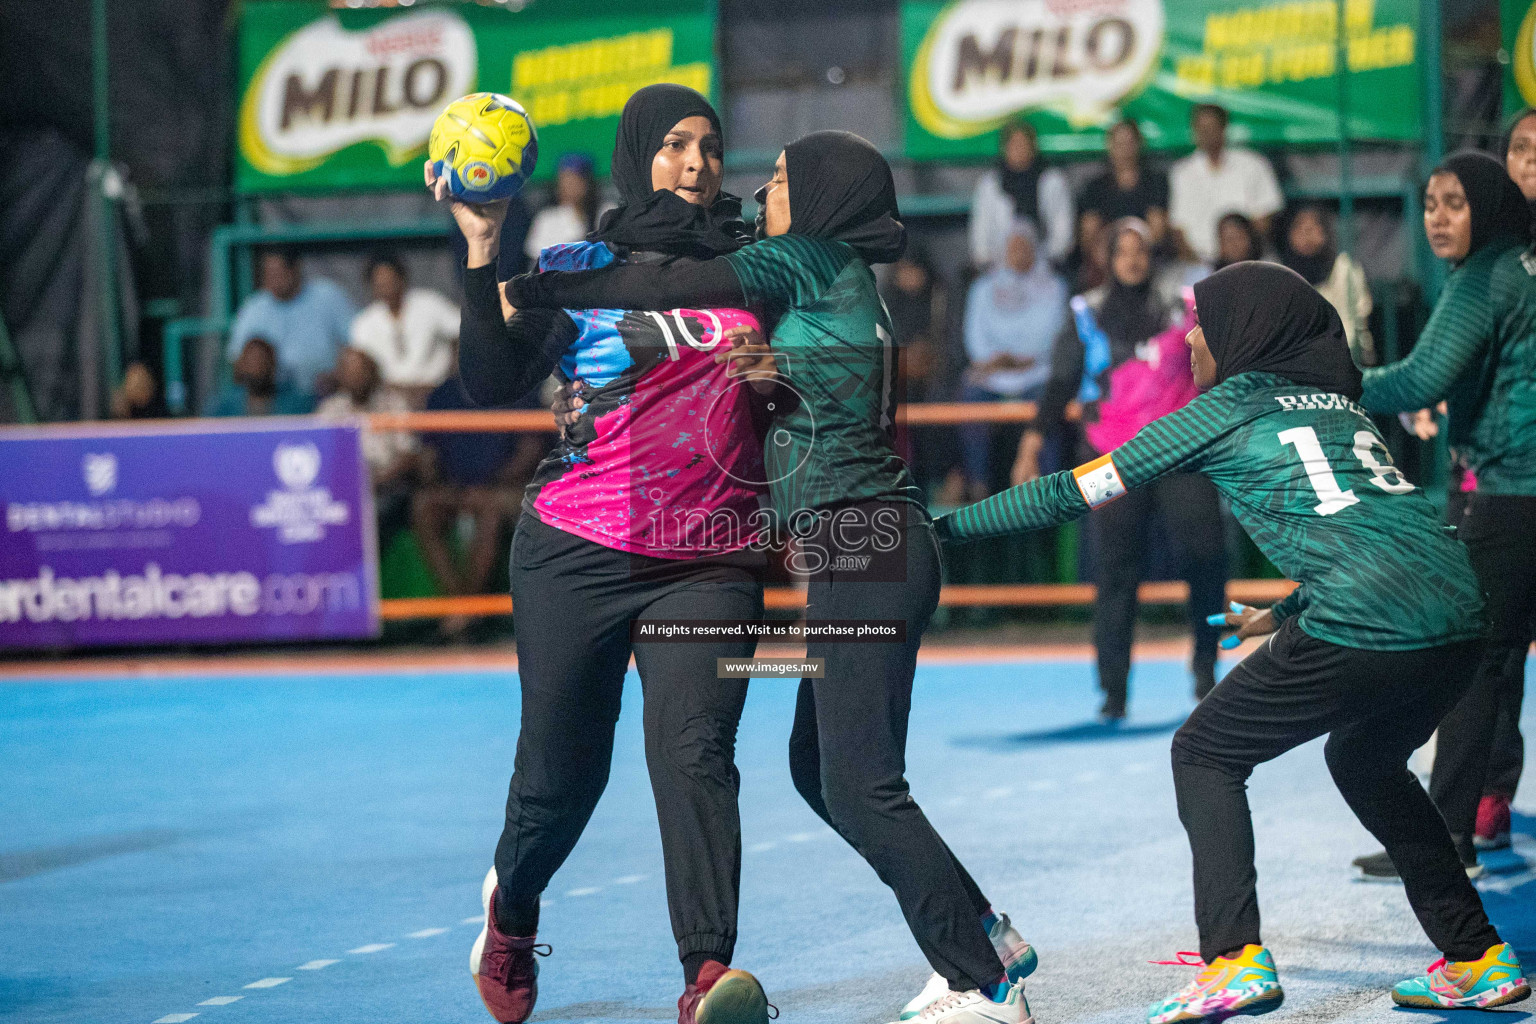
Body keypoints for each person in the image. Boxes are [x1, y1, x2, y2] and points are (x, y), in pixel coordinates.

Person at [508, 130, 1037, 1024]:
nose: (766, 190)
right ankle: (983, 926)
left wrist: (548, 286)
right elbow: (807, 374)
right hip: (862, 543)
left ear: (823, 197)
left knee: (863, 787)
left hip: (865, 543)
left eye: (785, 179)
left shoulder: (810, 257)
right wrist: (775, 375)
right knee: (816, 767)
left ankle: (983, 976)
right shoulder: (840, 280)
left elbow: (674, 285)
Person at [938, 259, 1531, 1021]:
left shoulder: (1222, 408)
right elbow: (1381, 535)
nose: (1189, 341)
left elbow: (1071, 490)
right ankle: (1478, 956)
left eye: (1203, 324)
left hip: (1366, 618)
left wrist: (944, 531)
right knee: (1366, 758)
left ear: (1243, 335)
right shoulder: (1340, 408)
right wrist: (1285, 611)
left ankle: (1234, 959)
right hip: (1459, 619)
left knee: (1206, 751)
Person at [434, 84, 776, 1024]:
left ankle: (706, 975)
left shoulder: (758, 268)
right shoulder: (578, 264)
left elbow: (815, 390)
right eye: (673, 146)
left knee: (696, 753)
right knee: (562, 774)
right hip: (575, 549)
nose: (696, 164)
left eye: (708, 145)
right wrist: (481, 248)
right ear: (638, 156)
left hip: (712, 556)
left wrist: (783, 382)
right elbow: (490, 379)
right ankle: (514, 905)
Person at [1345, 151, 1536, 882]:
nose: (1438, 217)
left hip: (1509, 496)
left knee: (1474, 665)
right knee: (1499, 662)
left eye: (1454, 202)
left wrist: (1328, 380)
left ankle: (1445, 837)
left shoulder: (1484, 274)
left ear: (1486, 205)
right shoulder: (1522, 265)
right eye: (1429, 203)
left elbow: (1424, 377)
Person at [1022, 219, 1225, 717]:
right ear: (1108, 259)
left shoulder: (1185, 306)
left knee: (1207, 556)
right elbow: (1061, 382)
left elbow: (1219, 366)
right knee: (1113, 572)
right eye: (1122, 251)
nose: (1132, 259)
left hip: (1180, 451)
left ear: (1152, 254)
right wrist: (1031, 444)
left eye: (1140, 250)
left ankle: (1205, 667)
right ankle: (1113, 691)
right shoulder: (1085, 312)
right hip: (1107, 456)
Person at [411, 368, 526, 642]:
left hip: (504, 488)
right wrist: (438, 482)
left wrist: (490, 483)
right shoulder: (444, 394)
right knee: (423, 507)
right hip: (454, 488)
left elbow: (530, 450)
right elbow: (427, 453)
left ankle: (467, 611)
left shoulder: (519, 386)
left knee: (490, 510)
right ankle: (461, 607)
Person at [958, 221, 1066, 501]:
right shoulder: (983, 288)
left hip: (1036, 373)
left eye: (1024, 246)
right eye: (1013, 246)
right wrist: (995, 361)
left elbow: (1051, 335)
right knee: (969, 398)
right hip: (991, 374)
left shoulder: (1053, 287)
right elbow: (974, 336)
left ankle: (1047, 488)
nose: (1018, 252)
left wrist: (1018, 362)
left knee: (1050, 403)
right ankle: (977, 485)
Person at [317, 347, 421, 539]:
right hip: (341, 488)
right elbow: (320, 456)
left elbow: (409, 455)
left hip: (386, 487)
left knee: (369, 514)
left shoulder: (394, 404)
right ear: (340, 375)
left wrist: (376, 481)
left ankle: (362, 567)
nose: (355, 377)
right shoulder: (330, 409)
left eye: (361, 370)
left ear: (372, 372)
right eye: (349, 371)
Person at [226, 248, 355, 398]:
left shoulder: (327, 295)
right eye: (268, 274)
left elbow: (354, 343)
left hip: (326, 393)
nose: (273, 280)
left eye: (278, 273)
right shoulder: (254, 307)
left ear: (295, 269)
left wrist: (338, 375)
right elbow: (237, 360)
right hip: (275, 400)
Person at [1168, 104, 1283, 264]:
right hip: (1201, 263)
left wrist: (1242, 254)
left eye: (1211, 127)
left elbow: (1264, 219)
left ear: (1224, 127)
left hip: (1249, 261)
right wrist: (1198, 266)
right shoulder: (1182, 173)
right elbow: (1178, 228)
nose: (1206, 133)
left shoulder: (1254, 164)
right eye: (1201, 128)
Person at [347, 253, 460, 404]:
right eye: (380, 283)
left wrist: (452, 377)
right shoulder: (364, 322)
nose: (386, 288)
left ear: (402, 278)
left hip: (438, 391)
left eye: (390, 281)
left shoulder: (429, 303)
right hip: (388, 399)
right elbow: (363, 369)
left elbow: (461, 335)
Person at [969, 119, 1073, 269]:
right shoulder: (990, 184)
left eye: (1023, 144)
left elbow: (1062, 237)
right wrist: (1001, 263)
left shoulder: (1052, 180)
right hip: (998, 270)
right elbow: (980, 240)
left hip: (1045, 267)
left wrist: (1034, 261)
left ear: (1033, 146)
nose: (1019, 149)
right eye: (1013, 144)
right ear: (1005, 148)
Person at [1279, 204, 1375, 366]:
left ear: (1326, 232)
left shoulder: (1345, 268)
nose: (1307, 232)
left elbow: (1353, 325)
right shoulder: (1279, 276)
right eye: (1299, 227)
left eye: (1314, 226)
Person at [1077, 118, 1171, 249]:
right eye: (1119, 144)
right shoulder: (1095, 187)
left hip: (1148, 256)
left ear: (1139, 143)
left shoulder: (1155, 182)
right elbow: (1089, 233)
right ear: (1109, 145)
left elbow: (1157, 231)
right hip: (1106, 258)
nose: (1125, 150)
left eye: (1129, 143)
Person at [204, 337, 315, 417]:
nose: (257, 369)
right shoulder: (223, 406)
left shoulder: (297, 404)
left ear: (273, 365)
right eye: (251, 363)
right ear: (241, 366)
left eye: (262, 362)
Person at [523, 153, 605, 259]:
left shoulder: (605, 212)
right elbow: (537, 261)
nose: (569, 187)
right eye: (565, 181)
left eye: (575, 181)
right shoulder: (547, 218)